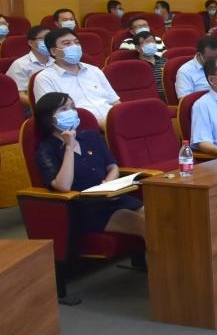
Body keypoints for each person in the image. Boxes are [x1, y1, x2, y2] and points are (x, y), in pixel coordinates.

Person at [34, 92, 144, 237]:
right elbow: (63, 186)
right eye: (64, 109)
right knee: (146, 225)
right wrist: (69, 146)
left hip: (111, 197)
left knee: (160, 218)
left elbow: (112, 166)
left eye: (72, 107)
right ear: (49, 118)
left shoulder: (90, 136)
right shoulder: (46, 149)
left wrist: (108, 184)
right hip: (86, 207)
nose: (71, 112)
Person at [33, 28, 120, 128]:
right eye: (67, 43)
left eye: (77, 42)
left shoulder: (94, 70)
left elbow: (115, 102)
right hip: (81, 128)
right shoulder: (45, 78)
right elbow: (54, 116)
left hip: (113, 123)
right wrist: (106, 126)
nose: (74, 46)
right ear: (54, 51)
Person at [6, 25, 52, 106]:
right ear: (31, 43)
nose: (49, 41)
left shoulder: (58, 62)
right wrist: (42, 106)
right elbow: (18, 94)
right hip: (34, 107)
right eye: (44, 38)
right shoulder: (20, 64)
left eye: (50, 38)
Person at [133, 31, 168, 101]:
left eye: (152, 41)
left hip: (166, 96)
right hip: (147, 98)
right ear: (137, 48)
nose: (151, 44)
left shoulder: (165, 62)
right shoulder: (135, 66)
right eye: (146, 42)